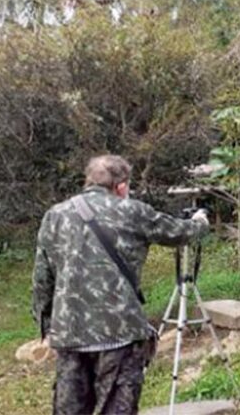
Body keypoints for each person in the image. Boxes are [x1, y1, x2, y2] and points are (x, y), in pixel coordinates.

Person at [32, 155, 209, 415]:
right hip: (120, 334)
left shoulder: (54, 215)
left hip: (70, 332)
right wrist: (201, 221)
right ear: (122, 186)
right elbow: (181, 233)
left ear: (88, 180)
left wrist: (46, 325)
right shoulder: (133, 211)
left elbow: (42, 278)